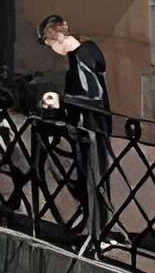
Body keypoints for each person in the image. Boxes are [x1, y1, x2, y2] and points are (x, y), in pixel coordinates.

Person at [34, 15, 112, 248]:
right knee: (89, 178)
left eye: (49, 43)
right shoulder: (86, 53)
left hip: (90, 128)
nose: (50, 49)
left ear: (57, 35)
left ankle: (97, 235)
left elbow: (92, 97)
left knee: (92, 178)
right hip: (91, 126)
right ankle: (94, 230)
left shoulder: (81, 57)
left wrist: (60, 100)